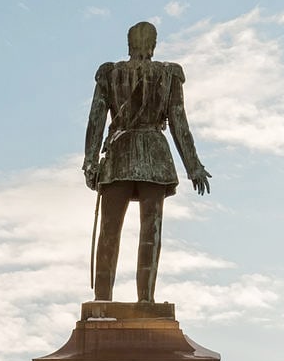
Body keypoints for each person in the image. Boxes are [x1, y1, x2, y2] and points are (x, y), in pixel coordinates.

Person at [82, 20, 211, 303]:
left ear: (129, 44)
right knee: (150, 232)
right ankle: (145, 300)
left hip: (119, 156)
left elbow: (96, 120)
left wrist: (90, 161)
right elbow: (179, 122)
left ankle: (103, 301)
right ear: (153, 45)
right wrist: (194, 166)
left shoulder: (110, 74)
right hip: (155, 155)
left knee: (109, 231)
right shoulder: (168, 75)